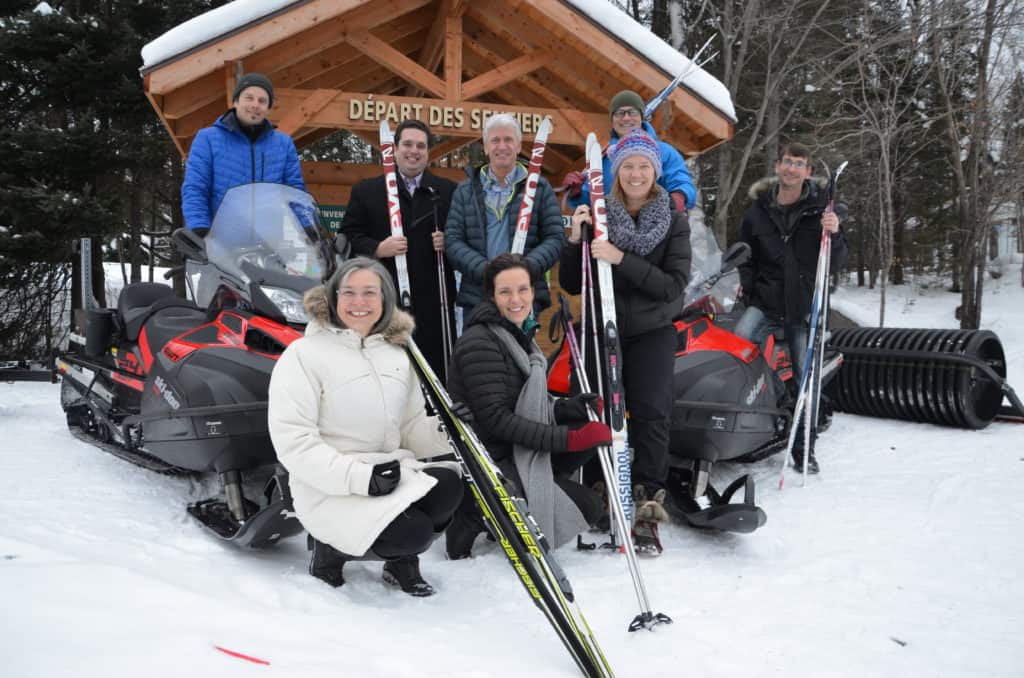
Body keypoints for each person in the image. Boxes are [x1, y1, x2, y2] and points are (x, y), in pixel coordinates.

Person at [267, 257, 463, 596]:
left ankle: (399, 560)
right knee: (413, 532)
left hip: (390, 472)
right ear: (333, 297)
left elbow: (409, 426)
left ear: (385, 299)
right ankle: (330, 549)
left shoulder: (397, 355)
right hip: (330, 484)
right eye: (349, 292)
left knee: (449, 486)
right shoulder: (304, 354)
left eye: (370, 293)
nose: (359, 303)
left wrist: (450, 430)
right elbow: (293, 441)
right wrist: (359, 478)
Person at [561, 130, 691, 555]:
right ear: (617, 172)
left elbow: (673, 286)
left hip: (652, 330)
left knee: (652, 415)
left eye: (644, 166)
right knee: (595, 411)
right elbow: (568, 282)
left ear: (655, 171)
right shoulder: (599, 213)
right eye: (628, 166)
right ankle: (598, 492)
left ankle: (647, 505)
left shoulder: (673, 218)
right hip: (601, 327)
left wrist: (621, 260)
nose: (636, 173)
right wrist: (575, 239)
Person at [444, 253, 610, 559]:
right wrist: (567, 439)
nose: (515, 299)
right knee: (589, 507)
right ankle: (473, 514)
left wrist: (568, 409)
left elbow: (526, 402)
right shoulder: (480, 341)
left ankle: (538, 490)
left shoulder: (519, 336)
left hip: (518, 450)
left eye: (522, 289)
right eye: (505, 291)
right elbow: (498, 420)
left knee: (589, 430)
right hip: (492, 457)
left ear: (533, 292)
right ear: (492, 296)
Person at [735, 142, 847, 474]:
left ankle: (804, 449)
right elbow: (746, 256)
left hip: (804, 307)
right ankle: (765, 403)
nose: (792, 168)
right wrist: (749, 290)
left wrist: (835, 234)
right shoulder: (758, 211)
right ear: (778, 166)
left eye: (799, 164)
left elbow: (837, 260)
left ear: (807, 172)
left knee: (806, 379)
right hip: (765, 302)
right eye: (787, 162)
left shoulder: (821, 210)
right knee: (737, 347)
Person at [340, 119, 457, 380]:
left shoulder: (447, 191)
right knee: (385, 372)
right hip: (384, 299)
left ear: (428, 152)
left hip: (434, 304)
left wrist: (449, 241)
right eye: (407, 144)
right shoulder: (367, 191)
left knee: (432, 374)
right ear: (394, 148)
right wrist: (377, 248)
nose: (413, 151)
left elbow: (464, 237)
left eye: (421, 146)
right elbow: (347, 237)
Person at [444, 113, 564, 318]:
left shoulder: (540, 188)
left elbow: (555, 238)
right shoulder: (466, 191)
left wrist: (525, 268)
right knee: (478, 350)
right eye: (495, 140)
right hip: (478, 296)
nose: (502, 146)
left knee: (519, 350)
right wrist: (487, 271)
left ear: (518, 146)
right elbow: (453, 240)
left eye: (508, 140)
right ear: (486, 147)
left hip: (523, 297)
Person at [181, 72, 306, 234]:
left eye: (262, 101)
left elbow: (295, 190)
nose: (255, 105)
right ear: (236, 101)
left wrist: (307, 225)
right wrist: (199, 226)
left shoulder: (283, 144)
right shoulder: (208, 138)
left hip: (269, 243)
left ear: (268, 108)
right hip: (219, 241)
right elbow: (195, 187)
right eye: (249, 98)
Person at [563, 90, 697, 214]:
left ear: (642, 117)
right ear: (612, 119)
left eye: (632, 112)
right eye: (619, 113)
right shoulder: (602, 158)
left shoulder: (665, 152)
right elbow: (591, 201)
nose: (626, 118)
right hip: (613, 231)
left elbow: (683, 183)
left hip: (656, 228)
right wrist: (578, 193)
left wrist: (679, 197)